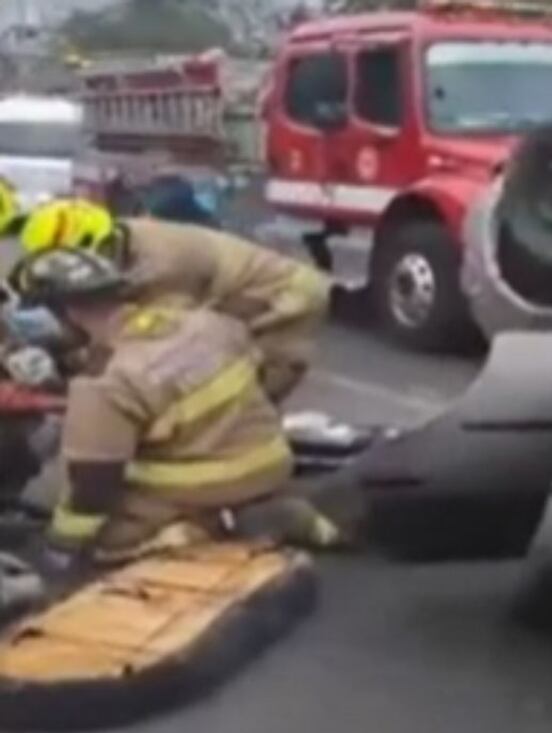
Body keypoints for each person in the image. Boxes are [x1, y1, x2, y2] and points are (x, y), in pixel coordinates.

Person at [14, 249, 336, 567]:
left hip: (206, 483)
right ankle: (261, 506)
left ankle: (200, 528)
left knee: (108, 536)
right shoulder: (200, 322)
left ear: (65, 313)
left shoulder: (103, 385)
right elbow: (258, 375)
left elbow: (93, 486)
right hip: (271, 458)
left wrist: (61, 543)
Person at [12, 199, 329, 403]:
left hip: (284, 298)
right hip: (231, 289)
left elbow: (149, 343)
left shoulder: (161, 269)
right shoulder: (120, 240)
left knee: (239, 397)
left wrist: (79, 379)